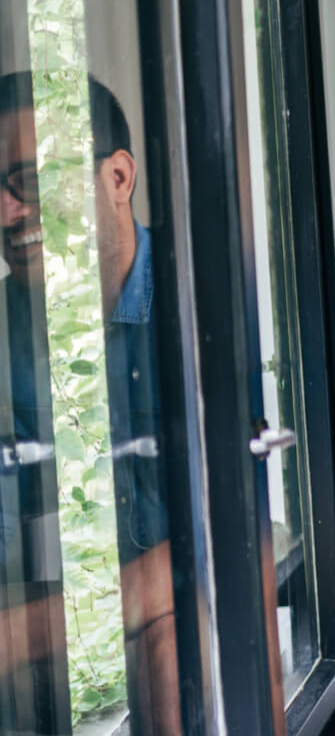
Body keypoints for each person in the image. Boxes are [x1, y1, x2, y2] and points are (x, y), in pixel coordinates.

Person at [0, 71, 178, 733]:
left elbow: (223, 545)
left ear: (118, 179)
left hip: (182, 624)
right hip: (54, 634)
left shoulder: (204, 304)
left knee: (174, 647)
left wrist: (24, 633)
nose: (7, 212)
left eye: (30, 180)